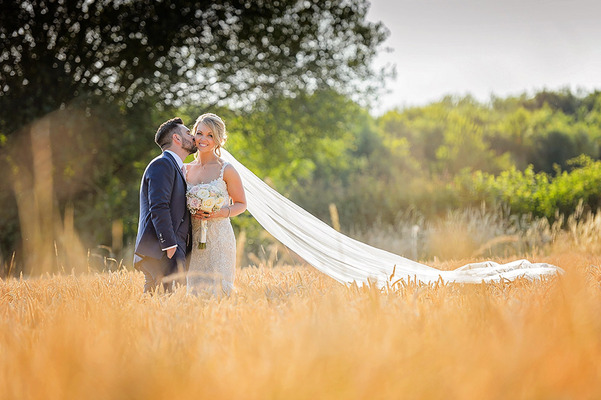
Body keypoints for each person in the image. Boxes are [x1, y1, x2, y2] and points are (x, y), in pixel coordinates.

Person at [184, 113, 246, 295]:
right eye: (200, 133)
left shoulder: (226, 169)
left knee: (218, 293)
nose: (203, 139)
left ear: (218, 140)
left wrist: (218, 212)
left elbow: (241, 204)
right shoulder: (184, 169)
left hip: (220, 239)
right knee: (194, 294)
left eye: (210, 135)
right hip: (192, 240)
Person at [133, 117, 197, 293]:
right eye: (188, 133)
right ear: (177, 138)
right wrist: (169, 245)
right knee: (155, 308)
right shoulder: (162, 164)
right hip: (161, 252)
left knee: (168, 311)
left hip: (173, 252)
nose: (193, 137)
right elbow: (159, 206)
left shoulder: (176, 167)